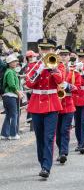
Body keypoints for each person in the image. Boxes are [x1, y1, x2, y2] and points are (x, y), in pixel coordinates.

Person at [26, 38, 63, 178]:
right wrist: (40, 69)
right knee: (39, 137)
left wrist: (52, 69)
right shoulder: (34, 65)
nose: (46, 51)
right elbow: (29, 84)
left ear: (53, 50)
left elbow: (61, 81)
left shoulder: (57, 64)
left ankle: (46, 167)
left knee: (48, 137)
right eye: (44, 49)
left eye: (49, 49)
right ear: (40, 50)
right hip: (36, 104)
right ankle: (43, 162)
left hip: (52, 104)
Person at [55, 45, 81, 164]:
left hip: (68, 103)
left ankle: (63, 152)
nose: (63, 57)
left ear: (69, 56)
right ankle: (61, 149)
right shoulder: (54, 68)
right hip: (56, 103)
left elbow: (78, 88)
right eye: (61, 55)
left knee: (65, 129)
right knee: (57, 130)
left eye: (65, 55)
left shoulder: (74, 70)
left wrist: (68, 86)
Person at [1, 54, 23, 140]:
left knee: (8, 115)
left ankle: (4, 134)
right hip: (10, 95)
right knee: (14, 115)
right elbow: (12, 85)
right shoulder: (10, 72)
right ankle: (13, 134)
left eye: (15, 61)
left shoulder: (10, 71)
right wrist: (19, 93)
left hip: (7, 96)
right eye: (12, 62)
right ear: (9, 63)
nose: (15, 63)